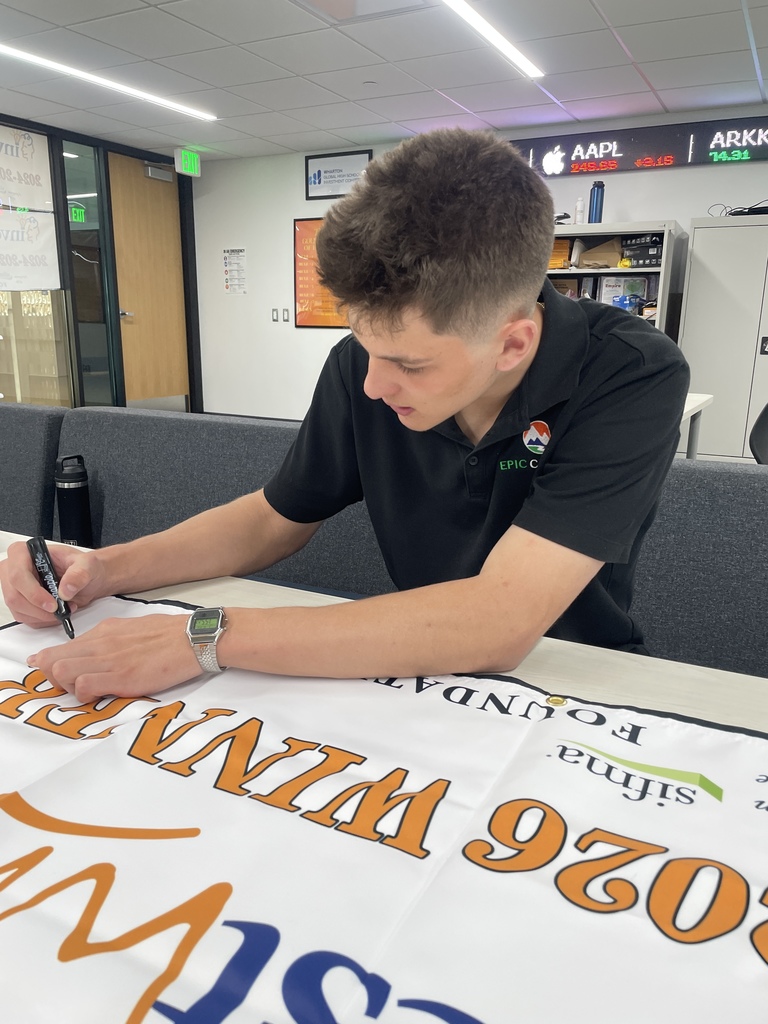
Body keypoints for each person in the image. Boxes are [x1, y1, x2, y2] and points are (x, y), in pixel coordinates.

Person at [0, 128, 689, 701]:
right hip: (410, 672)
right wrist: (105, 568)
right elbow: (274, 518)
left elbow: (499, 621)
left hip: (579, 680)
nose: (373, 385)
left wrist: (202, 636)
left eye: (410, 364)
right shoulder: (361, 367)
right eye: (367, 347)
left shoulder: (631, 372)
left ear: (513, 344)